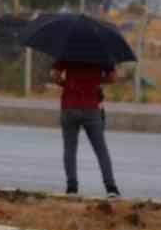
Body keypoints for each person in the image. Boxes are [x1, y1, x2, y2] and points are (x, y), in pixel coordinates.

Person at [50, 60, 121, 198]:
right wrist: (95, 80)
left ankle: (72, 187)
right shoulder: (101, 51)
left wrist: (67, 83)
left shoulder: (68, 48)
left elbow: (54, 75)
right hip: (91, 107)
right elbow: (113, 77)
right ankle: (111, 188)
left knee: (70, 148)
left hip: (69, 106)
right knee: (101, 149)